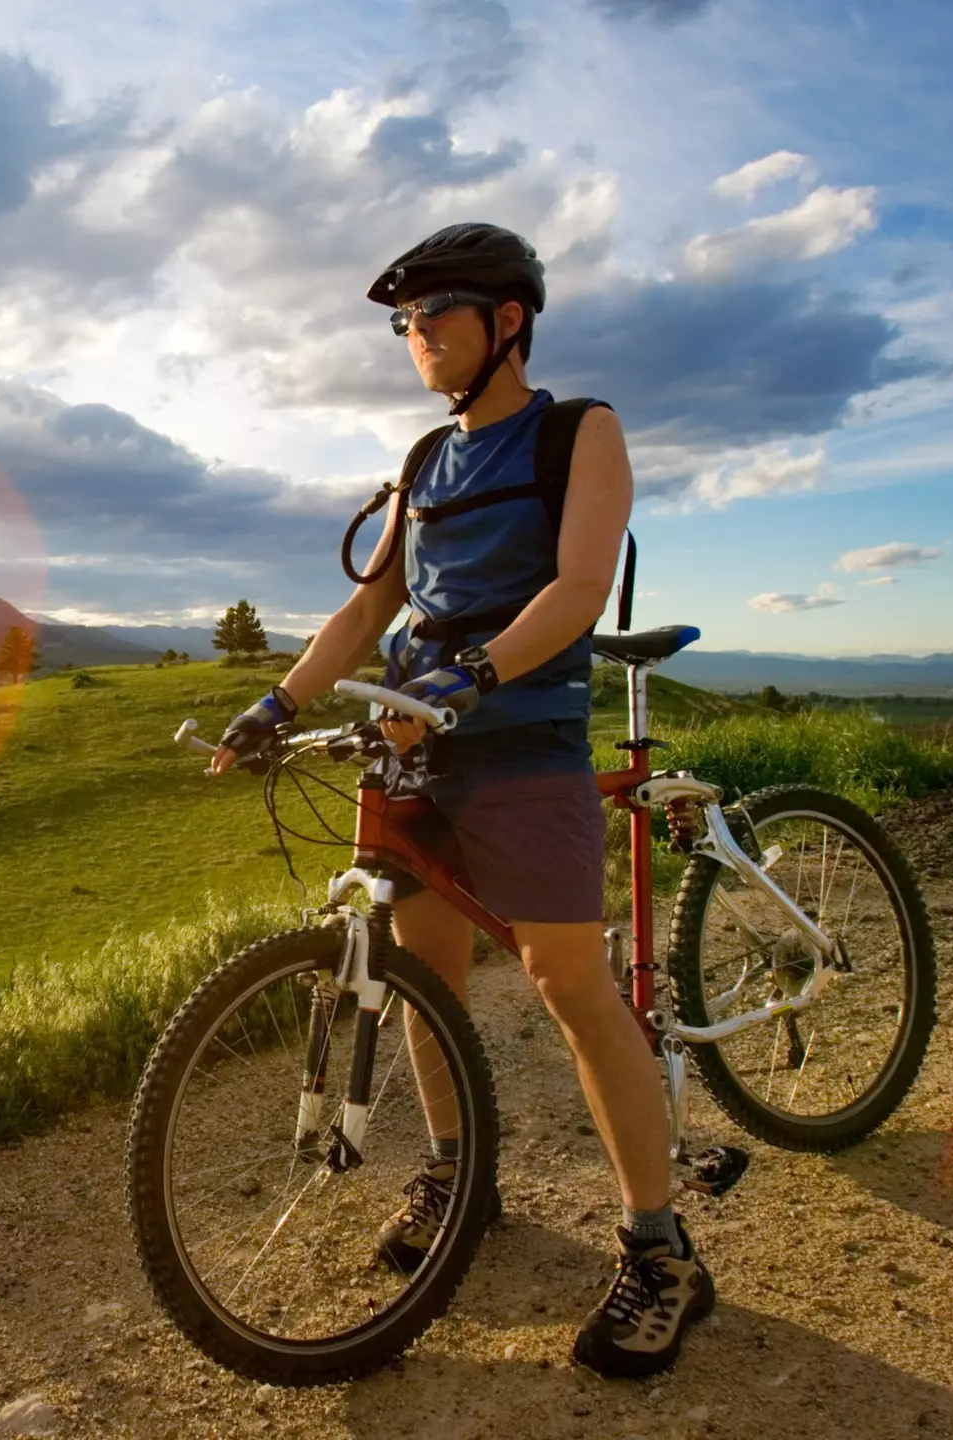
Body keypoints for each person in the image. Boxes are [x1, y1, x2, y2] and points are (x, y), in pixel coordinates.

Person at [211, 222, 712, 1379]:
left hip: (520, 745)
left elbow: (578, 586)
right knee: (420, 983)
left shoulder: (578, 431)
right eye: (402, 320)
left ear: (507, 323)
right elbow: (365, 609)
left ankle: (660, 1247)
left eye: (433, 313)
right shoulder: (425, 460)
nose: (414, 335)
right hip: (412, 753)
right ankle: (458, 1179)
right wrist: (275, 705)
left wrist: (474, 673)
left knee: (566, 982)